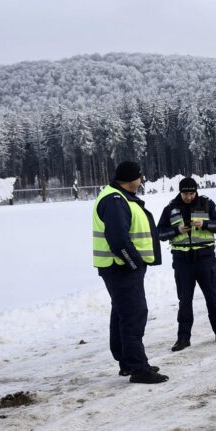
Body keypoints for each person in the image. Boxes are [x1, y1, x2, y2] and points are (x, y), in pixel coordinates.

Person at [92, 161, 167, 384]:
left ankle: (128, 361)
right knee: (133, 316)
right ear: (131, 179)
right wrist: (134, 264)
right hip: (122, 268)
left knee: (122, 314)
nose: (141, 181)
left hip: (119, 268)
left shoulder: (117, 196)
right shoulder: (115, 200)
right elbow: (118, 239)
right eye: (140, 178)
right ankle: (138, 369)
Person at [157, 176, 216, 351]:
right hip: (182, 262)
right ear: (180, 192)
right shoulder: (171, 208)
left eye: (191, 193)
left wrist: (205, 224)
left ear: (196, 191)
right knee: (184, 301)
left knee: (213, 298)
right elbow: (159, 233)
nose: (189, 197)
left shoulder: (207, 204)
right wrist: (177, 230)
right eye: (185, 193)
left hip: (205, 259)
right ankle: (183, 338)